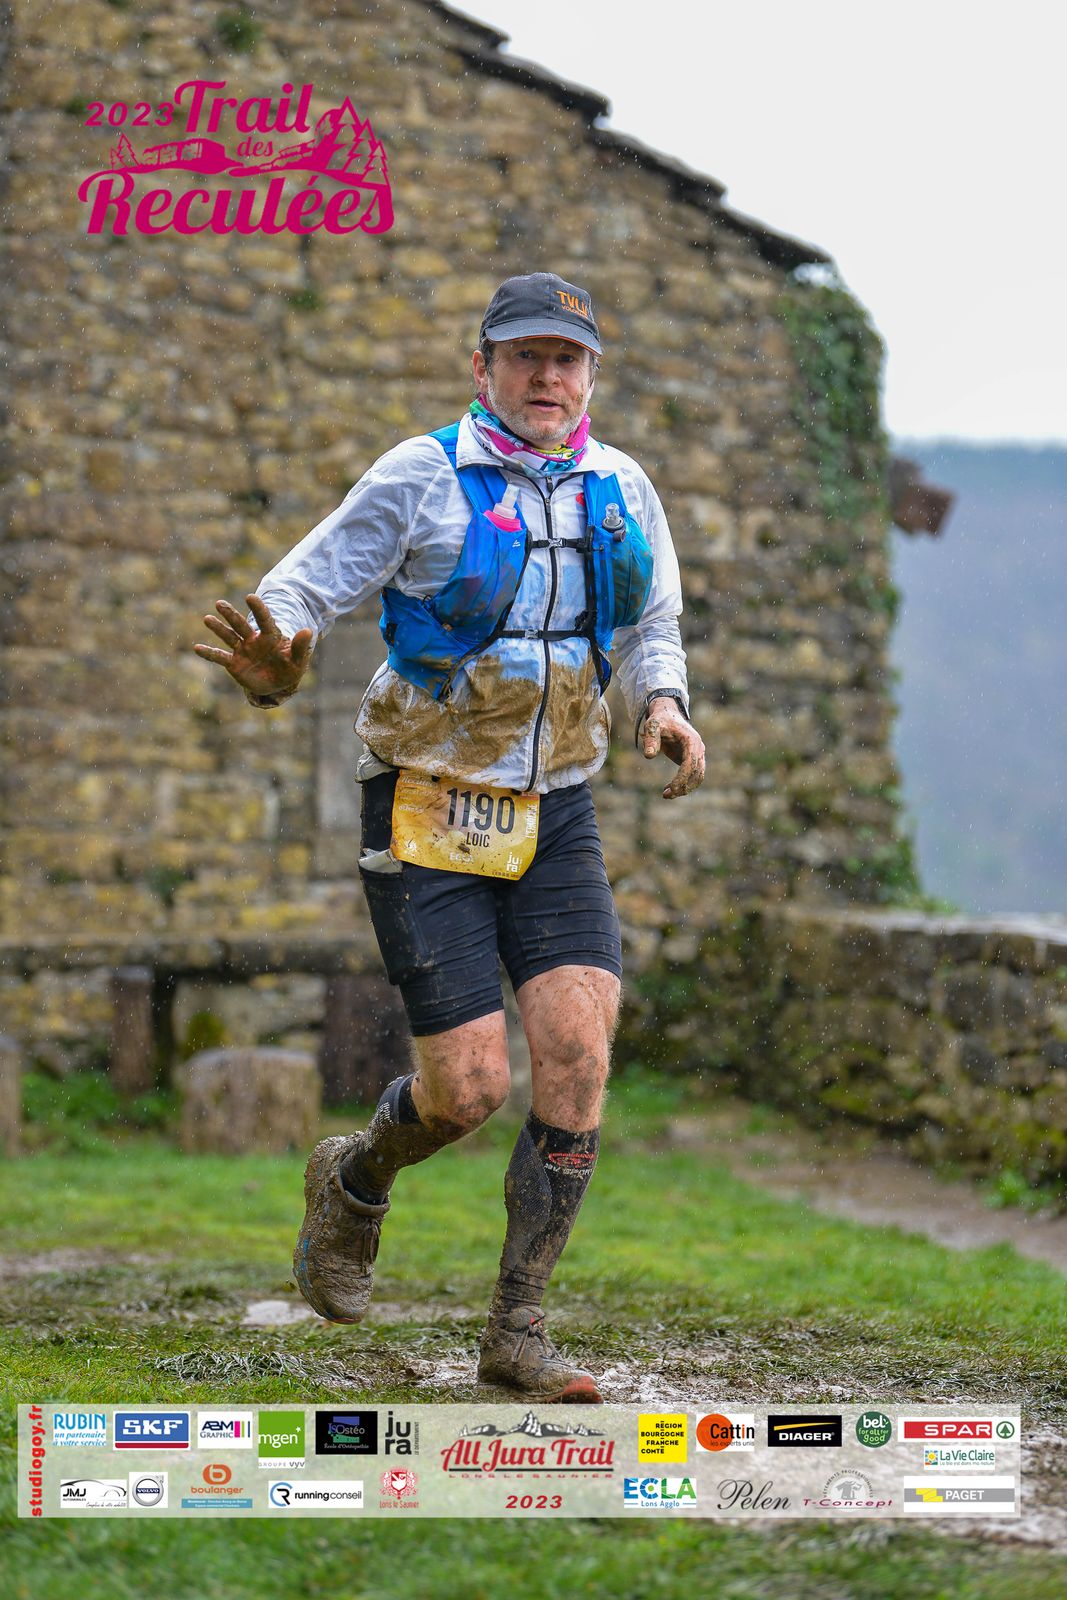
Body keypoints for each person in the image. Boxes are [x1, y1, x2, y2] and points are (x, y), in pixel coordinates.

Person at [195, 271, 705, 1402]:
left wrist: (662, 705)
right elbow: (302, 590)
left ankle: (517, 1327)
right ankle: (356, 1177)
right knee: (467, 1089)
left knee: (578, 1050)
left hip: (556, 803)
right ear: (483, 368)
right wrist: (276, 662)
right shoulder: (419, 474)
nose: (545, 376)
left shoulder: (622, 487)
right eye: (524, 356)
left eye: (565, 359)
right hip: (424, 797)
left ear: (590, 376)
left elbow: (649, 623)